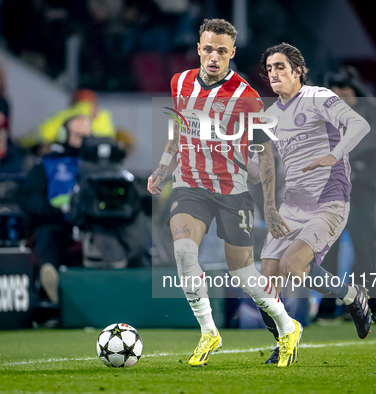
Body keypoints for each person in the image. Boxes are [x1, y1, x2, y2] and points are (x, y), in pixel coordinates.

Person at [147, 19, 302, 368]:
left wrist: (271, 208)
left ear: (232, 53)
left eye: (221, 51)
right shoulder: (180, 82)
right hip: (190, 187)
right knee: (184, 252)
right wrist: (162, 168)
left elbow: (264, 153)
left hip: (232, 190)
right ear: (199, 49)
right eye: (207, 49)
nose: (213, 56)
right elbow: (177, 129)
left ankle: (287, 325)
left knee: (243, 274)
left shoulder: (246, 96)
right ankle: (208, 331)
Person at [256, 43, 373, 364]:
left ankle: (351, 297)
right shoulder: (268, 116)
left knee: (293, 266)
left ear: (297, 71)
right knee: (265, 290)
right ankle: (285, 341)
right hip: (291, 207)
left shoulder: (319, 97)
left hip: (329, 200)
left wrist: (334, 154)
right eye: (269, 69)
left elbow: (360, 125)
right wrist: (268, 205)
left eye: (281, 67)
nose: (274, 74)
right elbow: (264, 166)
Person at [318, 66, 376, 320]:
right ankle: (328, 307)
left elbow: (366, 142)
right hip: (331, 191)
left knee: (366, 248)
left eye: (343, 89)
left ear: (354, 89)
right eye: (334, 90)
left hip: (361, 192)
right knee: (328, 250)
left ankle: (371, 305)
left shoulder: (373, 112)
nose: (339, 94)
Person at [20, 115, 92, 305]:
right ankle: (49, 275)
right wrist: (59, 211)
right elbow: (31, 201)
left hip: (91, 226)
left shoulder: (97, 166)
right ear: (64, 135)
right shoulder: (46, 165)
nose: (83, 142)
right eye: (78, 136)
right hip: (57, 223)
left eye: (87, 136)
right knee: (48, 234)